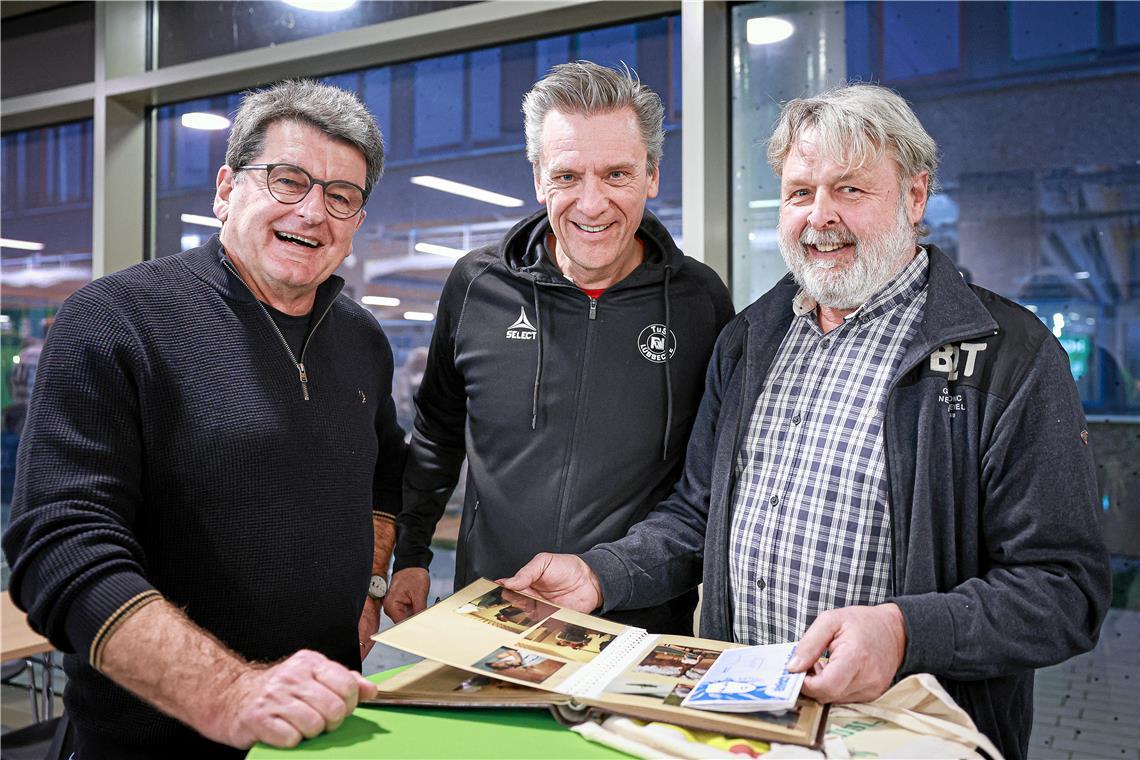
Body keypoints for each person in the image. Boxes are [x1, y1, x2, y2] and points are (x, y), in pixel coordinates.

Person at [502, 83, 1110, 760]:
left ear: (915, 196)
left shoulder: (1009, 357)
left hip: (899, 733)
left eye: (850, 189)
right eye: (800, 192)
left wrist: (905, 632)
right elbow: (697, 516)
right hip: (742, 724)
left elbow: (1065, 589)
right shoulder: (750, 341)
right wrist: (598, 575)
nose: (820, 216)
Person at [3, 80, 407, 758]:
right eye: (288, 181)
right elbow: (60, 549)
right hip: (149, 742)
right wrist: (230, 693)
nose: (313, 212)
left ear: (357, 220)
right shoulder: (114, 321)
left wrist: (369, 590)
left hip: (322, 727)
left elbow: (384, 475)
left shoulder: (362, 338)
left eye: (341, 196)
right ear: (225, 189)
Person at [383, 62, 734, 634]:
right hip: (490, 614)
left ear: (652, 175)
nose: (591, 204)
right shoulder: (477, 286)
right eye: (567, 176)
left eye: (616, 174)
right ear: (538, 179)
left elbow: (705, 485)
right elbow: (437, 434)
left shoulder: (700, 301)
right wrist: (413, 554)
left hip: (637, 626)